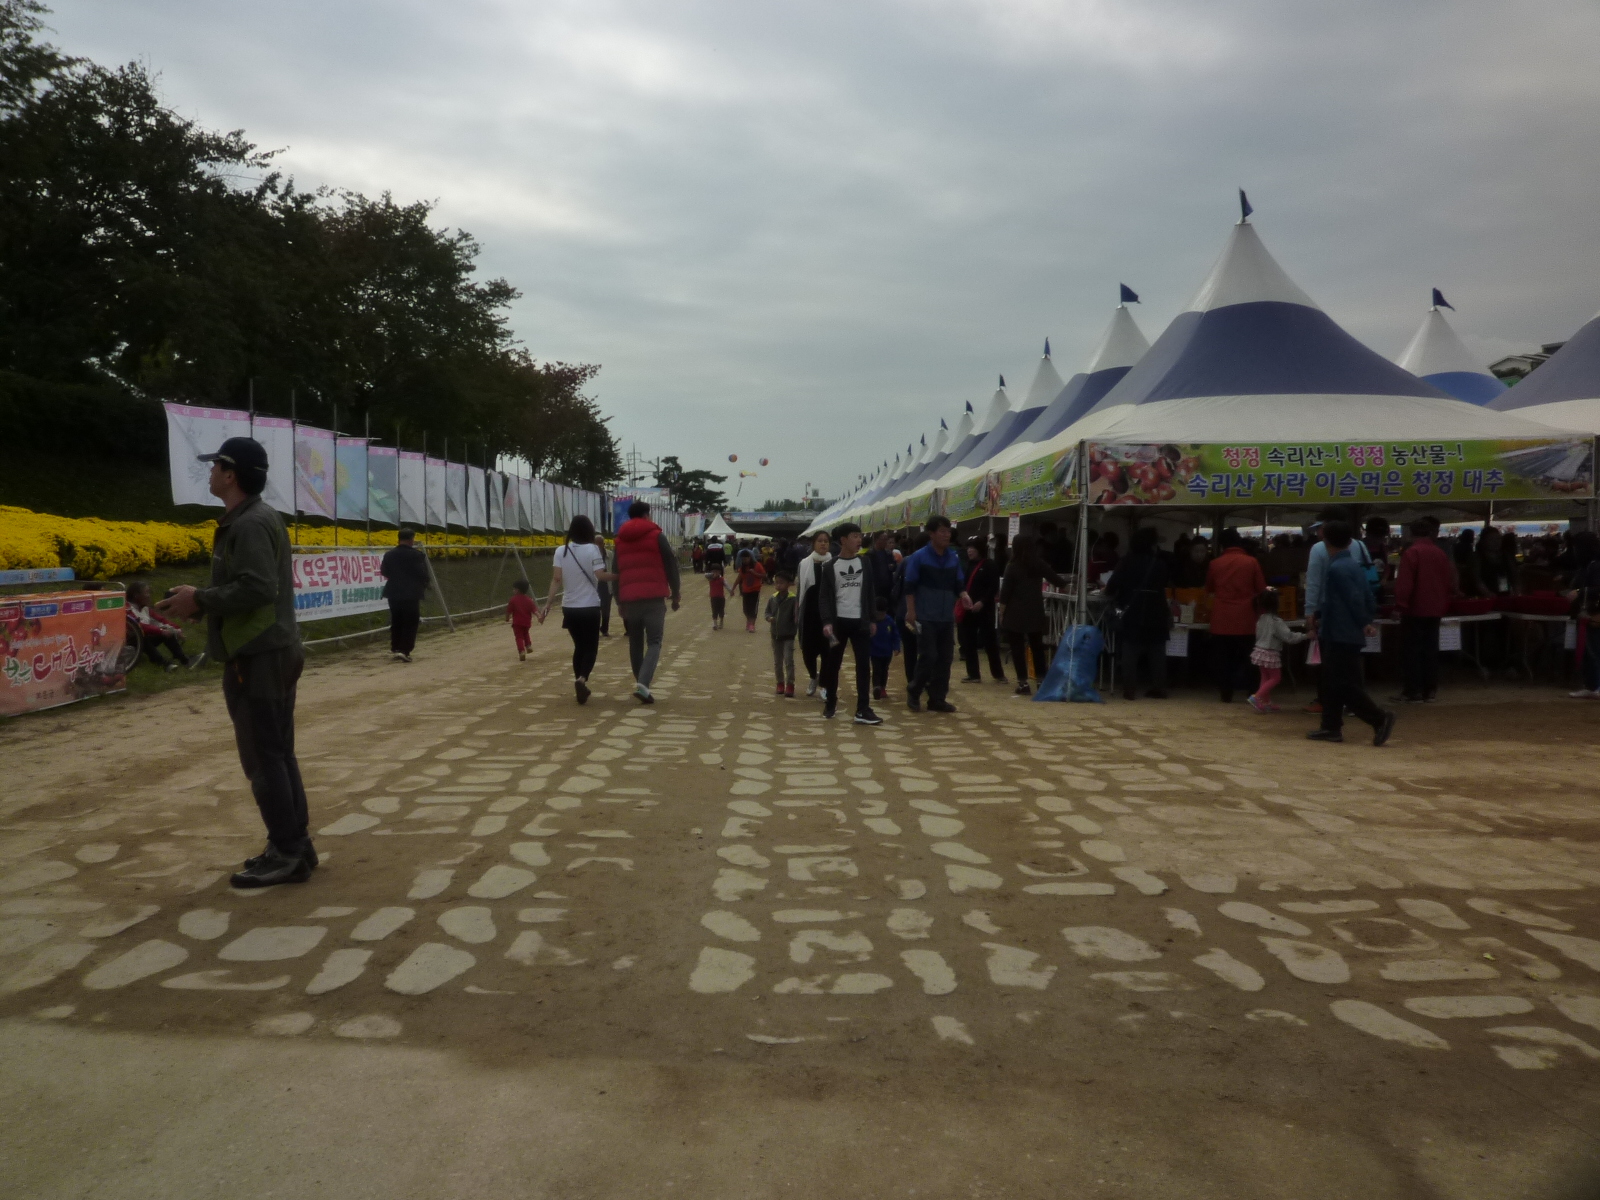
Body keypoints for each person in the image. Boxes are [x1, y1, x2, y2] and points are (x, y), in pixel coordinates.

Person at [155, 436, 313, 888]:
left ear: (230, 474)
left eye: (215, 466)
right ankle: (295, 846)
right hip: (271, 650)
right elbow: (252, 586)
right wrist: (201, 602)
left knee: (264, 758)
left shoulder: (249, 524)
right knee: (278, 753)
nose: (209, 473)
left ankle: (287, 851)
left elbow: (259, 587)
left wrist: (202, 599)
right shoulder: (257, 518)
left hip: (258, 655)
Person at [1308, 521, 1395, 746]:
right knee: (1335, 681)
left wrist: (1363, 621)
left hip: (1340, 632)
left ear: (1325, 540)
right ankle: (1330, 726)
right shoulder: (1352, 565)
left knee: (1340, 683)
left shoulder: (1337, 568)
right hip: (1345, 631)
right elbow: (1365, 596)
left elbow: (1353, 600)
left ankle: (1378, 718)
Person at [1303, 516, 1374, 715]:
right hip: (1349, 626)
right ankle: (1334, 720)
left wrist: (1312, 612)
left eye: (1320, 528)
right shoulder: (1354, 557)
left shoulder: (1335, 566)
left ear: (1326, 536)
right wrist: (1366, 619)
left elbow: (1316, 584)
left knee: (1335, 673)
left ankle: (1374, 715)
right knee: (1349, 670)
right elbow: (1366, 592)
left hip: (1337, 626)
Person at [613, 500, 681, 704]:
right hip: (654, 597)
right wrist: (676, 591)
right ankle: (643, 684)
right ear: (646, 515)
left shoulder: (620, 540)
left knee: (635, 642)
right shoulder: (657, 535)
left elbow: (616, 571)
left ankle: (640, 683)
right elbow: (670, 564)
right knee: (654, 641)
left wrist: (619, 600)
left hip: (630, 599)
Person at [817, 522, 881, 724]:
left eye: (859, 536)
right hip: (838, 624)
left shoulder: (865, 563)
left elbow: (870, 592)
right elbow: (824, 597)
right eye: (854, 536)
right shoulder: (830, 567)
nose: (859, 540)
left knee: (863, 666)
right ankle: (830, 702)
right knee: (833, 665)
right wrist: (827, 621)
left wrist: (872, 619)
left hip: (860, 622)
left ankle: (863, 709)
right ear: (843, 540)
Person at [545, 514, 610, 703]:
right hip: (589, 606)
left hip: (569, 607)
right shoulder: (593, 549)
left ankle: (578, 682)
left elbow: (556, 579)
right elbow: (601, 575)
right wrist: (619, 576)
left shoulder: (561, 550)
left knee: (579, 647)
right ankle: (582, 679)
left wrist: (548, 604)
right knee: (591, 648)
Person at [903, 515, 964, 713]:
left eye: (948, 531)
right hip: (925, 615)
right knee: (929, 655)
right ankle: (915, 690)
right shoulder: (919, 557)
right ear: (931, 534)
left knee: (945, 658)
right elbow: (909, 586)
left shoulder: (953, 557)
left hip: (946, 616)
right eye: (942, 531)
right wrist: (911, 611)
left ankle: (937, 698)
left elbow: (958, 583)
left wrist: (964, 595)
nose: (947, 535)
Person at [1392, 517, 1456, 703]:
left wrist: (1399, 606)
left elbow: (1405, 584)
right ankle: (1430, 690)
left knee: (1412, 651)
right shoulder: (1440, 553)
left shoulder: (1412, 553)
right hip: (1436, 608)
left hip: (1415, 609)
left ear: (1411, 534)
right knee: (1431, 650)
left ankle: (1413, 691)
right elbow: (1449, 581)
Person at [1106, 527, 1172, 701]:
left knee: (1130, 650)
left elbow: (1112, 586)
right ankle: (1159, 687)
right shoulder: (1160, 564)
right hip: (1157, 610)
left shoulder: (1126, 561)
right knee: (1157, 651)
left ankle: (1129, 689)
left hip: (1132, 611)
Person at [997, 533, 1065, 696]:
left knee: (1017, 649)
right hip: (1035, 610)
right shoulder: (1038, 564)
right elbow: (1056, 579)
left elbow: (1005, 593)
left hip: (1015, 613)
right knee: (1037, 647)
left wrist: (1001, 612)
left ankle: (1023, 683)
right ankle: (1042, 681)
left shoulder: (1012, 566)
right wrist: (1070, 587)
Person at [1204, 528, 1266, 702]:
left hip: (1222, 618)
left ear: (1221, 545)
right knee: (1250, 657)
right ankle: (1252, 691)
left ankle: (1226, 693)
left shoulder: (1215, 563)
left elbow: (1209, 588)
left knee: (1223, 658)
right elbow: (1261, 589)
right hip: (1246, 617)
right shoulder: (1251, 562)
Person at [1247, 588, 1306, 713]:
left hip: (1259, 651)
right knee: (1275, 678)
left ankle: (1266, 702)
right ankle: (1257, 697)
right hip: (1270, 652)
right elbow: (1289, 637)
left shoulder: (1261, 618)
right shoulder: (1276, 621)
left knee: (1265, 677)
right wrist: (1305, 636)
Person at [958, 536, 1007, 685]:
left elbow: (993, 587)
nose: (970, 551)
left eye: (973, 548)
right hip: (969, 609)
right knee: (969, 642)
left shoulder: (989, 565)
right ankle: (973, 674)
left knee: (990, 642)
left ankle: (998, 674)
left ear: (980, 549)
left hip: (985, 609)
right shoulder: (968, 565)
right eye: (968, 548)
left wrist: (982, 602)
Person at [380, 527, 430, 662]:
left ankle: (396, 647)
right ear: (411, 539)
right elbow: (422, 573)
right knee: (411, 621)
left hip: (393, 591)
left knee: (397, 620)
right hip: (411, 593)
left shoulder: (389, 554)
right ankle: (405, 650)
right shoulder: (416, 555)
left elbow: (384, 571)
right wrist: (424, 583)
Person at [794, 530, 833, 697]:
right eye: (820, 541)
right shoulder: (804, 564)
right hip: (809, 613)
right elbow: (800, 591)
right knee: (807, 651)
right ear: (813, 544)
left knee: (827, 651)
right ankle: (813, 676)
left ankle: (824, 685)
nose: (823, 544)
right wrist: (797, 611)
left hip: (828, 615)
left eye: (826, 541)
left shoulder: (834, 563)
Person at [126, 581, 192, 670]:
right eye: (146, 593)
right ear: (136, 596)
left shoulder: (145, 608)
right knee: (143, 636)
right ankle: (162, 663)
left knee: (167, 632)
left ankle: (183, 659)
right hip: (130, 641)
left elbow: (161, 620)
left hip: (144, 639)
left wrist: (176, 629)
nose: (149, 595)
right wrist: (160, 631)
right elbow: (138, 626)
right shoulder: (127, 608)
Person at [1565, 535, 1600, 699]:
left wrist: (1579, 592)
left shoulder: (1596, 565)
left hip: (1594, 613)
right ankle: (1591, 685)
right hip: (1585, 614)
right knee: (1587, 651)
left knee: (1595, 650)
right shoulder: (1587, 566)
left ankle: (1596, 685)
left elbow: (1598, 588)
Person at [766, 570, 797, 697]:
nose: (778, 585)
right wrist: (769, 618)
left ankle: (790, 684)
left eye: (781, 583)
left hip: (789, 635)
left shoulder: (793, 599)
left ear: (789, 584)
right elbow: (767, 612)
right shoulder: (772, 598)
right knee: (777, 662)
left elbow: (797, 616)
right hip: (775, 635)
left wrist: (795, 621)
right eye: (776, 583)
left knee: (789, 660)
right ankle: (780, 683)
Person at [869, 597, 900, 700]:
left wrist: (897, 647)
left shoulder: (889, 621)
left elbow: (895, 635)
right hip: (874, 652)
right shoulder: (871, 623)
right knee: (876, 670)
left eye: (882, 614)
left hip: (887, 652)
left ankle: (882, 687)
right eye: (878, 614)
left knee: (884, 670)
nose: (880, 616)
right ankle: (876, 687)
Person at [507, 578, 537, 662]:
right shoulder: (529, 600)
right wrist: (539, 616)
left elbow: (509, 611)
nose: (513, 590)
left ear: (517, 590)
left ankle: (521, 651)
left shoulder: (513, 600)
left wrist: (507, 618)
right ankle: (528, 645)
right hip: (527, 621)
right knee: (526, 633)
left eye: (514, 589)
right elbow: (534, 610)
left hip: (517, 623)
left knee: (519, 637)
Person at [736, 549, 766, 632]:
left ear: (750, 558)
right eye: (743, 559)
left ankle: (752, 625)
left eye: (746, 559)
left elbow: (764, 575)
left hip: (755, 590)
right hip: (745, 591)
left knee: (753, 609)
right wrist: (733, 588)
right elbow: (739, 578)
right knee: (745, 609)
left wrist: (754, 573)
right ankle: (749, 621)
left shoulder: (757, 565)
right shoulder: (743, 568)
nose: (744, 561)